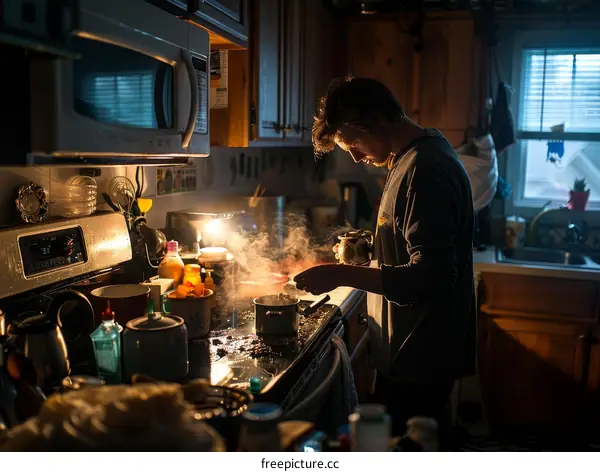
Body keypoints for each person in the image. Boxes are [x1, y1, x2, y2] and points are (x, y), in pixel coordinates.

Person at [294, 77, 477, 441]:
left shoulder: (426, 169)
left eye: (353, 143)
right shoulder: (411, 158)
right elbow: (410, 241)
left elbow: (432, 278)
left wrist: (339, 273)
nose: (356, 156)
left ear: (373, 122)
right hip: (411, 349)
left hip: (421, 355)